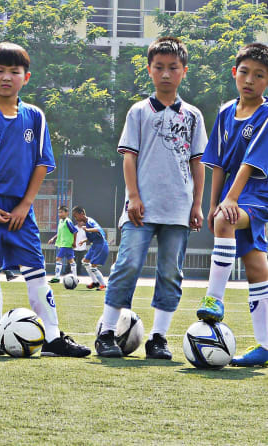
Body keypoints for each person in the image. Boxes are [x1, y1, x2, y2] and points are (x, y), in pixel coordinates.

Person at [0, 41, 90, 358]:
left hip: (20, 209)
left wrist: (26, 204)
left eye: (14, 72)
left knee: (36, 270)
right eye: (0, 70)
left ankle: (53, 337)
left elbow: (43, 162)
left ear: (25, 78)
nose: (6, 77)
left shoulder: (35, 117)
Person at [95, 36, 206, 360]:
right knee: (127, 265)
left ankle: (158, 338)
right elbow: (129, 157)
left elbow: (197, 163)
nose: (166, 74)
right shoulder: (139, 112)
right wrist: (133, 197)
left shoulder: (194, 116)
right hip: (141, 209)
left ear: (184, 71)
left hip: (178, 209)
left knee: (170, 272)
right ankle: (106, 334)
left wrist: (197, 204)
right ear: (150, 70)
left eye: (173, 68)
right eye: (159, 67)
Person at [196, 43, 268, 366]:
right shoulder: (225, 113)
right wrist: (212, 205)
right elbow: (218, 165)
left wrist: (228, 201)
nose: (250, 80)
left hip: (255, 195)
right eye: (245, 72)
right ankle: (266, 347)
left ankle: (214, 300)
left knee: (226, 220)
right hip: (230, 193)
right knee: (256, 267)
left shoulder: (267, 115)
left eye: (259, 75)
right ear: (233, 73)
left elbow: (249, 165)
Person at [71, 205, 109, 290]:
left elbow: (98, 229)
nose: (75, 218)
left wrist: (87, 230)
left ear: (81, 214)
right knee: (84, 262)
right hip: (95, 245)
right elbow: (92, 235)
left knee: (93, 267)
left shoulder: (90, 221)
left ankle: (103, 285)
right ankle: (95, 282)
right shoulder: (86, 224)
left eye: (75, 215)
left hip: (101, 244)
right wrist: (84, 241)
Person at [48, 205, 76, 282]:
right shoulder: (61, 221)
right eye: (59, 212)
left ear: (67, 213)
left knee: (58, 259)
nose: (59, 214)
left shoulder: (68, 221)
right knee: (71, 260)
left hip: (66, 244)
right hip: (63, 243)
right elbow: (60, 233)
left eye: (61, 212)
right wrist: (53, 238)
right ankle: (75, 277)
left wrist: (74, 242)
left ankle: (57, 277)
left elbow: (74, 231)